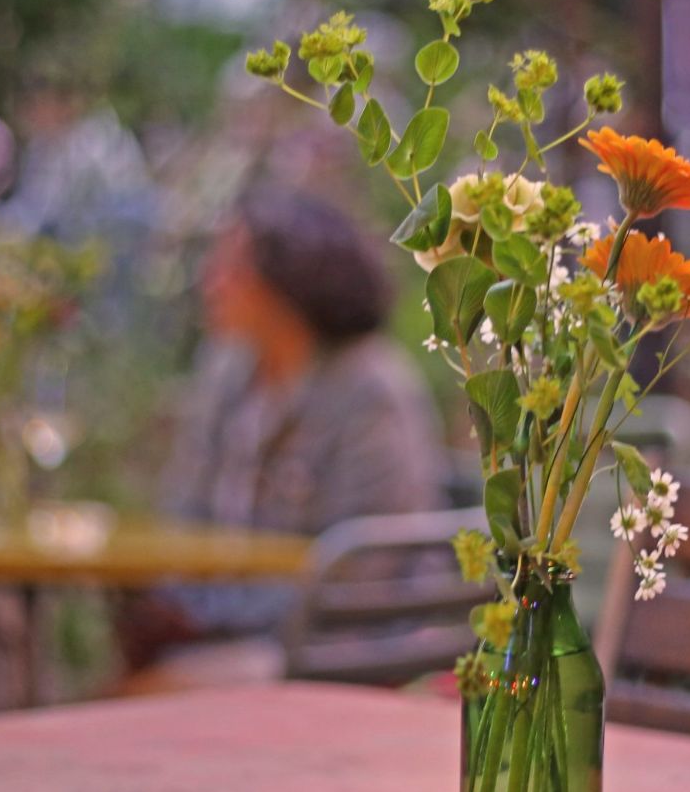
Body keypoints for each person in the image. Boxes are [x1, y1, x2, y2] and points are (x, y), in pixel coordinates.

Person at [118, 188, 446, 671]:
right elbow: (183, 514)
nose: (210, 281)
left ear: (289, 282)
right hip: (232, 631)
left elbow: (361, 575)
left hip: (334, 645)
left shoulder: (370, 391)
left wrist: (215, 616)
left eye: (231, 266)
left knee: (134, 703)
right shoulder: (228, 375)